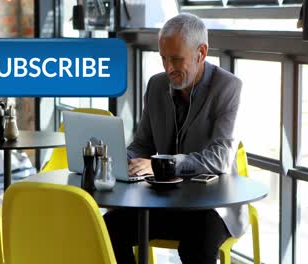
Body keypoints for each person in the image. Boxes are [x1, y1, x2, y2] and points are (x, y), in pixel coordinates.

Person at [103, 13, 246, 264]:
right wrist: (117, 159)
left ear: (201, 53)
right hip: (162, 201)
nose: (168, 68)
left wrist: (161, 162)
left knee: (196, 246)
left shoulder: (228, 87)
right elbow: (142, 144)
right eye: (163, 58)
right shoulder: (156, 85)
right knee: (108, 228)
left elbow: (220, 158)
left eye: (177, 59)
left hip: (212, 206)